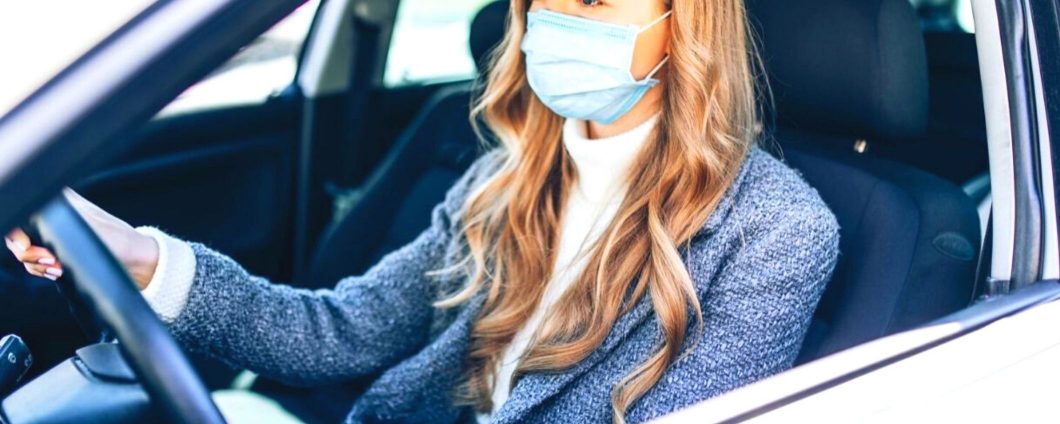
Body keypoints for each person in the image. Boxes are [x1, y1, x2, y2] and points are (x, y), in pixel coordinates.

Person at [6, 0, 841, 422]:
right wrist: (139, 255)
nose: (555, 18)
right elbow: (334, 334)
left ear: (683, 24)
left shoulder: (776, 233)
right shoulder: (502, 179)